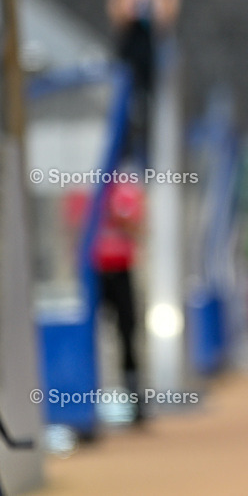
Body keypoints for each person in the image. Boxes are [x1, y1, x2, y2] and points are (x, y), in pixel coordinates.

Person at [106, 0, 180, 167]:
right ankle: (125, 154)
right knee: (125, 104)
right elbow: (119, 16)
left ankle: (146, 158)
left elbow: (166, 17)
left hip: (151, 55)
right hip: (129, 53)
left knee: (150, 107)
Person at [91, 180, 146, 424]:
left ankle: (134, 401)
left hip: (122, 270)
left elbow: (137, 228)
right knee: (93, 337)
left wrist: (116, 216)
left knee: (128, 333)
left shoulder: (127, 191)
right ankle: (92, 399)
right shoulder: (86, 191)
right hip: (94, 273)